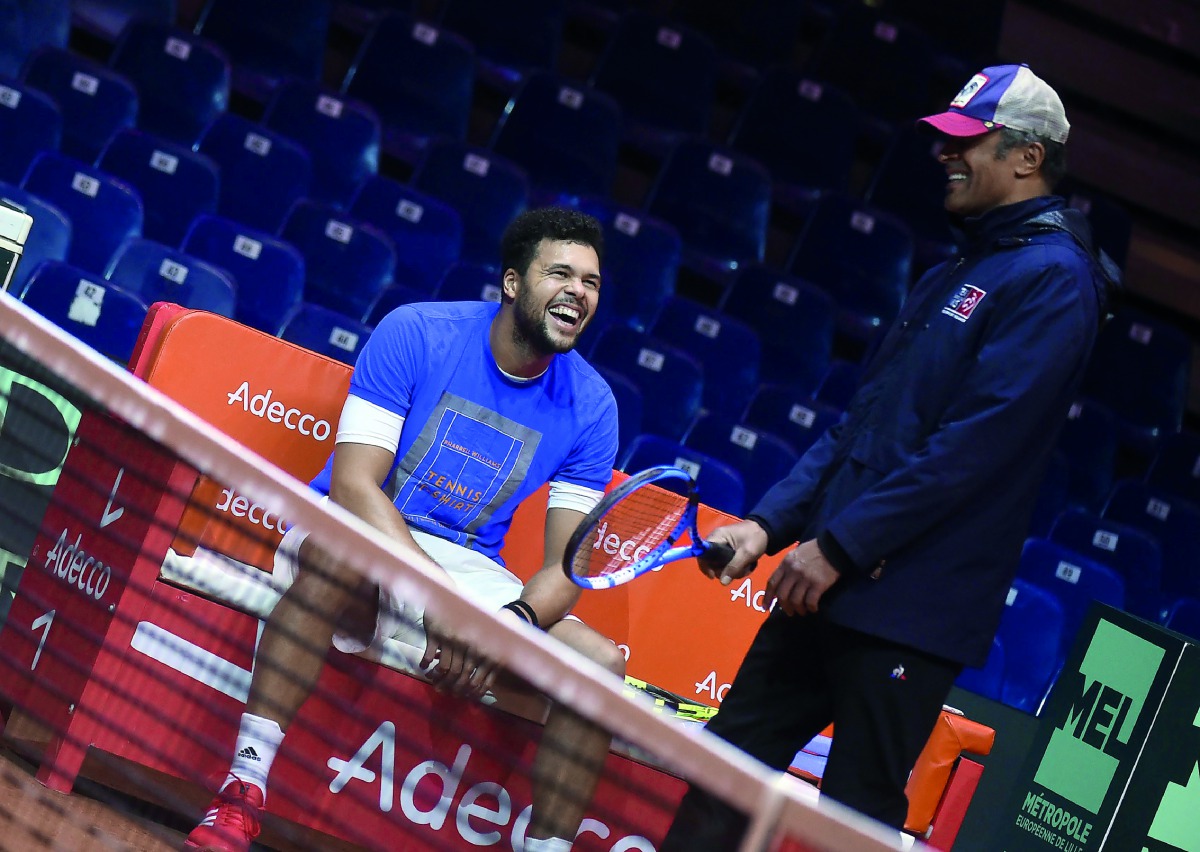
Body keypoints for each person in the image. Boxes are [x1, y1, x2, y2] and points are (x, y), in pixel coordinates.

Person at [660, 64, 1120, 847]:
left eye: (967, 142)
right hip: (826, 585)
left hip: (908, 609)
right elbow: (862, 426)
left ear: (1026, 158)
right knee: (722, 771)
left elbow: (974, 448)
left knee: (853, 822)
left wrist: (838, 546)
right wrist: (769, 527)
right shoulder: (960, 268)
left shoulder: (1054, 281)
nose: (946, 155)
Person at [185, 207, 625, 852]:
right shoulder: (418, 333)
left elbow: (567, 569)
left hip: (470, 566)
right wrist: (438, 599)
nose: (579, 293)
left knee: (600, 664)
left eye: (590, 283)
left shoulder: (593, 406)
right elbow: (356, 486)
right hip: (364, 532)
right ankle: (242, 790)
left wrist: (513, 626)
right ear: (511, 283)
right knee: (339, 559)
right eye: (561, 273)